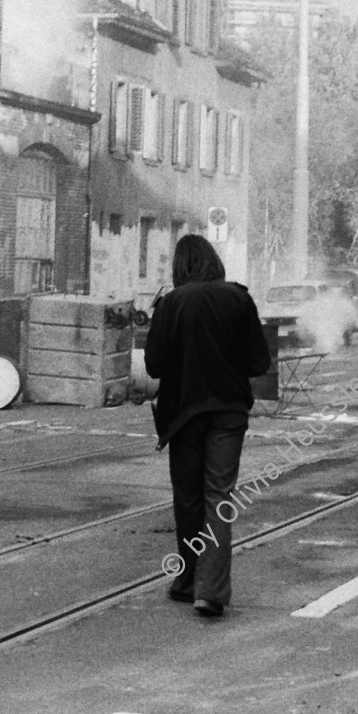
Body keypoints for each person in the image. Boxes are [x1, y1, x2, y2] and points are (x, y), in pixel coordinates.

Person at [144, 234, 272, 618]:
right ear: (214, 262)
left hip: (184, 415)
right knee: (220, 496)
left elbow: (153, 366)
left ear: (181, 267)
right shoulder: (239, 299)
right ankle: (210, 591)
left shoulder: (171, 304)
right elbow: (258, 364)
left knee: (188, 499)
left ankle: (186, 581)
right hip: (229, 412)